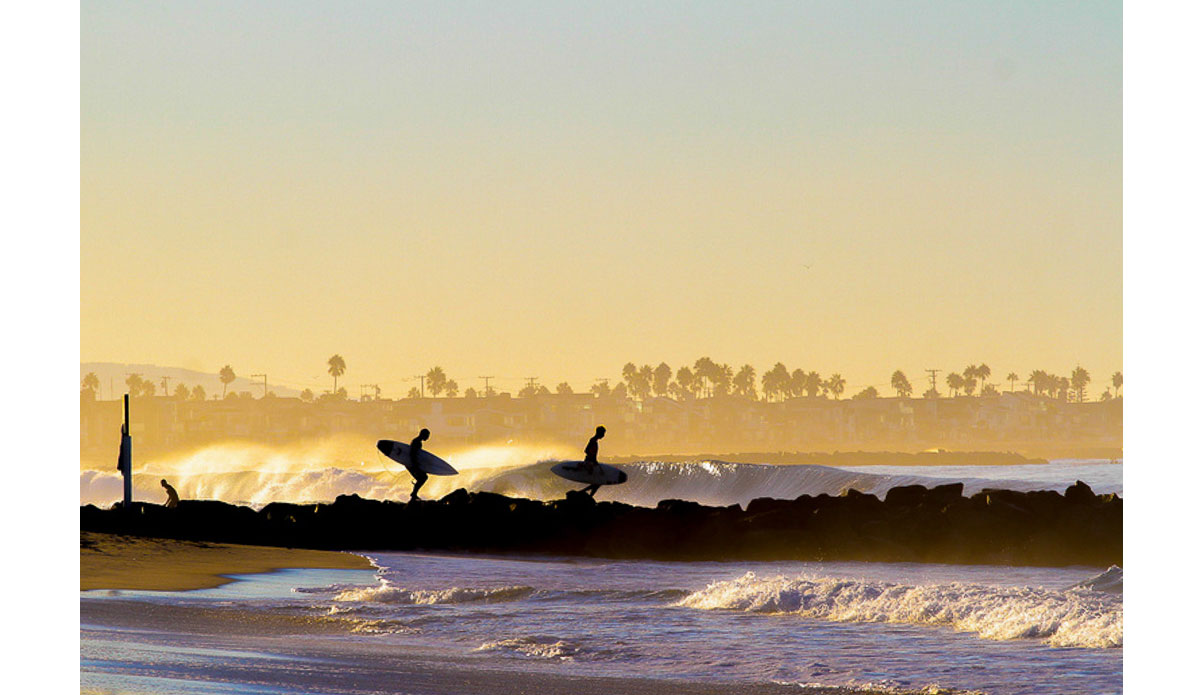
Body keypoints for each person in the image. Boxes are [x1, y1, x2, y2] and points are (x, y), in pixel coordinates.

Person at [580, 425, 606, 496]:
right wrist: (592, 460)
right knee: (598, 482)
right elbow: (586, 450)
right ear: (599, 433)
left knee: (598, 482)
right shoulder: (593, 441)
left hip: (591, 462)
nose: (603, 435)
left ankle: (587, 494)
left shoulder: (594, 441)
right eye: (603, 433)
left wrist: (595, 461)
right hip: (589, 463)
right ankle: (584, 493)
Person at [407, 428, 431, 500]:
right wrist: (415, 466)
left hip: (412, 463)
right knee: (423, 477)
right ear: (423, 435)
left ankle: (414, 494)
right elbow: (412, 454)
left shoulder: (417, 441)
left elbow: (417, 454)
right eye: (427, 435)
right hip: (412, 464)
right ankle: (414, 494)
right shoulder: (416, 442)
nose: (428, 437)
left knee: (421, 478)